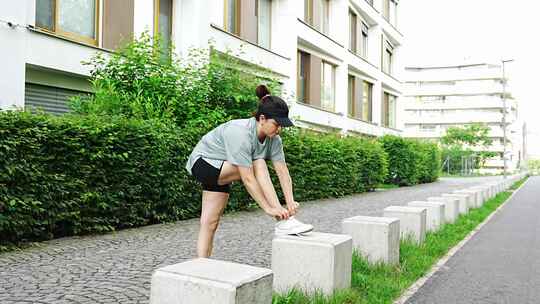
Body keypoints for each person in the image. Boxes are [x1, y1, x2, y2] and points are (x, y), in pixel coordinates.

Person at [185, 85, 313, 258]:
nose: (279, 130)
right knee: (258, 161)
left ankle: (202, 266)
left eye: (282, 126)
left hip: (222, 168)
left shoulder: (274, 140)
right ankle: (283, 222)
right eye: (276, 124)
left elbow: (283, 172)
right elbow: (248, 178)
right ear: (262, 119)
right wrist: (269, 209)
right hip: (202, 164)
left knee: (210, 223)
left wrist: (290, 202)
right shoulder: (240, 132)